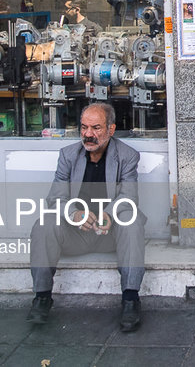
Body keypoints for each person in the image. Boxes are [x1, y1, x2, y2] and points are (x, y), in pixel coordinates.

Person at [27, 102, 146, 332]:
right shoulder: (68, 155)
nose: (88, 134)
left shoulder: (127, 156)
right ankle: (42, 297)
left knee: (131, 220)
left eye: (96, 128)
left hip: (109, 234)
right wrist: (74, 214)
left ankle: (131, 299)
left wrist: (109, 215)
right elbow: (55, 198)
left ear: (111, 130)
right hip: (76, 235)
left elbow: (128, 197)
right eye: (83, 127)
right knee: (44, 223)